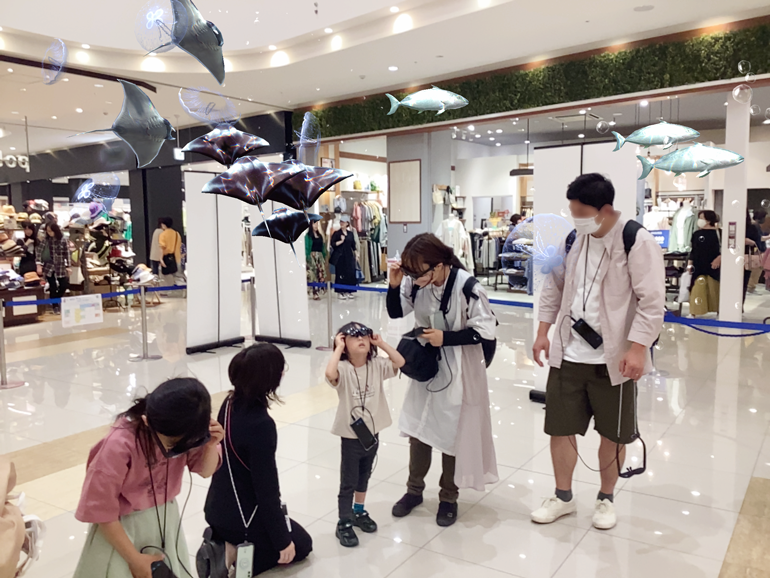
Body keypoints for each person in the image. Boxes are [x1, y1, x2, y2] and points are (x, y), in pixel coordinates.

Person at [531, 173, 665, 530]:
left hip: (615, 360)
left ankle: (606, 498)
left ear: (605, 210)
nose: (576, 217)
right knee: (560, 429)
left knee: (613, 433)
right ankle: (563, 497)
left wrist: (638, 350)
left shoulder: (636, 240)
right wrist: (543, 332)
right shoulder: (574, 238)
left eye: (582, 211)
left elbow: (652, 302)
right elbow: (553, 286)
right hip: (569, 353)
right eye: (572, 210)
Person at [386, 233, 498, 527]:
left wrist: (445, 338)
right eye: (410, 272)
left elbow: (485, 330)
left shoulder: (468, 287)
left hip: (460, 367)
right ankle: (414, 491)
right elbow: (397, 312)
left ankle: (449, 496)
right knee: (418, 427)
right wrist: (395, 283)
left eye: (418, 272)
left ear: (438, 266)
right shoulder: (415, 280)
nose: (414, 278)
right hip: (426, 364)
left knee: (452, 432)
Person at [72, 378, 223, 578]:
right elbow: (100, 510)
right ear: (147, 422)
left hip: (165, 521)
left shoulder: (185, 430)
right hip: (122, 530)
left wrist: (210, 445)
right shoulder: (118, 445)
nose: (176, 451)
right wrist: (134, 559)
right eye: (171, 445)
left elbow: (205, 471)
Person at [204, 344, 312, 576]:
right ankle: (231, 551)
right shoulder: (261, 425)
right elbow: (266, 489)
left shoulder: (228, 403)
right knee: (302, 543)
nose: (283, 373)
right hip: (243, 520)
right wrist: (282, 540)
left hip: (216, 508)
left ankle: (222, 540)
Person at [325, 322, 405, 547]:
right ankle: (344, 521)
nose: (361, 339)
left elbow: (399, 362)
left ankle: (358, 511)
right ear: (343, 343)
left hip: (372, 431)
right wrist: (338, 349)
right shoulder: (342, 368)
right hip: (351, 435)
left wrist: (381, 344)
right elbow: (330, 373)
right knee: (348, 481)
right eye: (353, 337)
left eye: (364, 336)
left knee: (364, 475)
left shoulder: (377, 365)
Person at [687, 210, 721, 316]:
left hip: (714, 265)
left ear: (709, 219)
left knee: (714, 289)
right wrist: (689, 264)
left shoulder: (719, 233)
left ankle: (719, 310)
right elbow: (693, 250)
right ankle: (694, 312)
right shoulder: (697, 234)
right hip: (698, 265)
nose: (700, 220)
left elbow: (726, 248)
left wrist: (719, 258)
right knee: (697, 289)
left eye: (702, 218)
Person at [36, 222, 70, 314]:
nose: (49, 233)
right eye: (48, 231)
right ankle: (55, 306)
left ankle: (55, 300)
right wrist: (38, 265)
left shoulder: (63, 240)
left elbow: (67, 253)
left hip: (60, 265)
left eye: (51, 231)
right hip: (49, 266)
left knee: (64, 285)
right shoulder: (46, 240)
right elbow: (39, 252)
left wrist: (68, 266)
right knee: (53, 286)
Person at [329, 215, 358, 300]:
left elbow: (353, 245)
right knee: (340, 274)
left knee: (349, 273)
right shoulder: (337, 233)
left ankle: (348, 291)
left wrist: (357, 254)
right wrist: (341, 241)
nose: (342, 223)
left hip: (349, 256)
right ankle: (340, 292)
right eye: (341, 222)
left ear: (347, 223)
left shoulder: (350, 234)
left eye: (343, 222)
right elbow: (333, 244)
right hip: (340, 256)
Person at [743, 209, 764, 304]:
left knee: (744, 280)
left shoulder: (751, 227)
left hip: (748, 255)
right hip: (739, 256)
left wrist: (750, 242)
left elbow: (757, 241)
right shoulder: (754, 226)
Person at [747, 209, 769, 294]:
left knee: (757, 269)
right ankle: (750, 286)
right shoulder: (754, 226)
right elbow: (758, 239)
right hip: (756, 251)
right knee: (755, 269)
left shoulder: (756, 226)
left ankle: (752, 286)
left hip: (759, 250)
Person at [305, 220, 327, 300]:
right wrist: (308, 257)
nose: (316, 225)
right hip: (312, 258)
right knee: (313, 275)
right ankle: (315, 292)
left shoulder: (320, 235)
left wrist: (324, 257)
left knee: (320, 274)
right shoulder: (308, 236)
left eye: (317, 223)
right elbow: (307, 249)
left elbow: (323, 247)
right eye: (314, 223)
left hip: (320, 257)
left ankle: (320, 290)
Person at [158, 217, 183, 289]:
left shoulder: (163, 235)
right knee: (178, 276)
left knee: (164, 277)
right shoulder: (176, 234)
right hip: (176, 258)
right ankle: (182, 291)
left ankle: (165, 292)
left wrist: (161, 259)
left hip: (166, 258)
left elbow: (162, 248)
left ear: (163, 225)